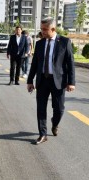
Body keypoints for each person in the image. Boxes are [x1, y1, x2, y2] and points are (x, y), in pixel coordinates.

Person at [27, 17, 75, 145]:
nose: (42, 32)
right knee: (41, 108)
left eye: (45, 29)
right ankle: (42, 134)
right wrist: (30, 80)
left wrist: (71, 82)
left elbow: (70, 63)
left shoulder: (64, 42)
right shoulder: (40, 43)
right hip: (42, 80)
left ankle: (55, 123)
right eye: (41, 29)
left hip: (58, 82)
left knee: (59, 109)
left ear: (53, 29)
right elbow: (35, 64)